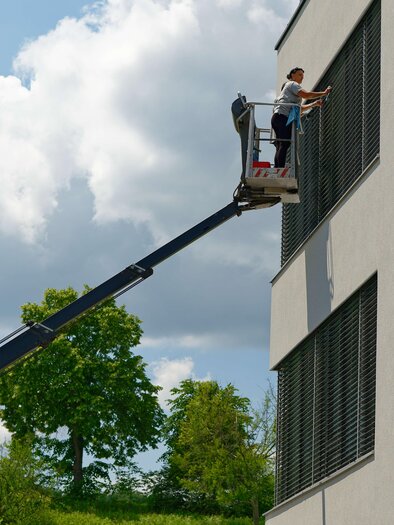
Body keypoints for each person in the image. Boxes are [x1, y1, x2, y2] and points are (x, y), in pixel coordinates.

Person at [271, 67, 332, 168]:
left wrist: (314, 104)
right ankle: (279, 169)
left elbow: (299, 109)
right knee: (284, 144)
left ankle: (278, 168)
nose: (302, 78)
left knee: (281, 144)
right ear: (292, 75)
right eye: (300, 75)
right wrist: (324, 93)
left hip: (278, 117)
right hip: (282, 117)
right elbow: (306, 95)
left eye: (303, 76)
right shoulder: (292, 84)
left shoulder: (285, 96)